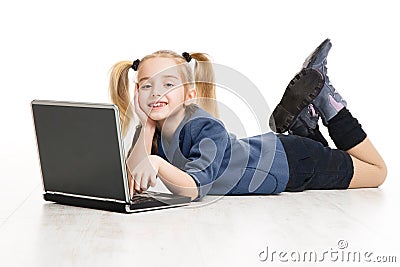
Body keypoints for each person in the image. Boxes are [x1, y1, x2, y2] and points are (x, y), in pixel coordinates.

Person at [108, 40, 387, 201]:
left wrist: (156, 162)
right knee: (337, 159)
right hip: (282, 152)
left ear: (190, 94)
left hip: (294, 164)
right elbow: (130, 178)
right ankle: (305, 125)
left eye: (167, 84)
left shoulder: (205, 128)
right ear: (136, 91)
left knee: (377, 172)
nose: (156, 92)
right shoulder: (152, 131)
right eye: (146, 86)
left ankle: (327, 102)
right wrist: (145, 123)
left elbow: (192, 190)